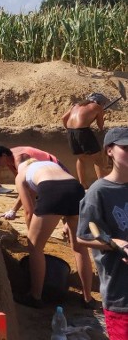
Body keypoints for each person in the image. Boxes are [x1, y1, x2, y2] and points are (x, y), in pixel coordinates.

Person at [13, 156, 93, 309]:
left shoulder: (21, 175)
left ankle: (35, 296)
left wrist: (34, 235)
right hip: (76, 189)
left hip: (52, 191)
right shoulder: (50, 165)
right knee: (80, 247)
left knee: (35, 247)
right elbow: (65, 194)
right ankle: (88, 298)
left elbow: (29, 211)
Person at [78, 127, 128, 337]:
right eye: (125, 147)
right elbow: (83, 235)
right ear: (110, 151)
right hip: (121, 294)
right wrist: (117, 243)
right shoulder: (99, 192)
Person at [0, 143, 66, 220]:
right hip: (45, 177)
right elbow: (20, 182)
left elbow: (27, 187)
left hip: (58, 174)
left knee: (63, 210)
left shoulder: (20, 159)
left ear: (3, 155)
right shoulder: (8, 157)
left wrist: (13, 210)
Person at [62, 92, 108, 188]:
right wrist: (101, 114)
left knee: (81, 159)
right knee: (97, 158)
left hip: (71, 132)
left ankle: (82, 184)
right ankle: (102, 184)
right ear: (99, 102)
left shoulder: (76, 105)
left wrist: (70, 130)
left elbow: (63, 118)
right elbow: (100, 126)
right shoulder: (97, 107)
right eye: (103, 104)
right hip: (83, 132)